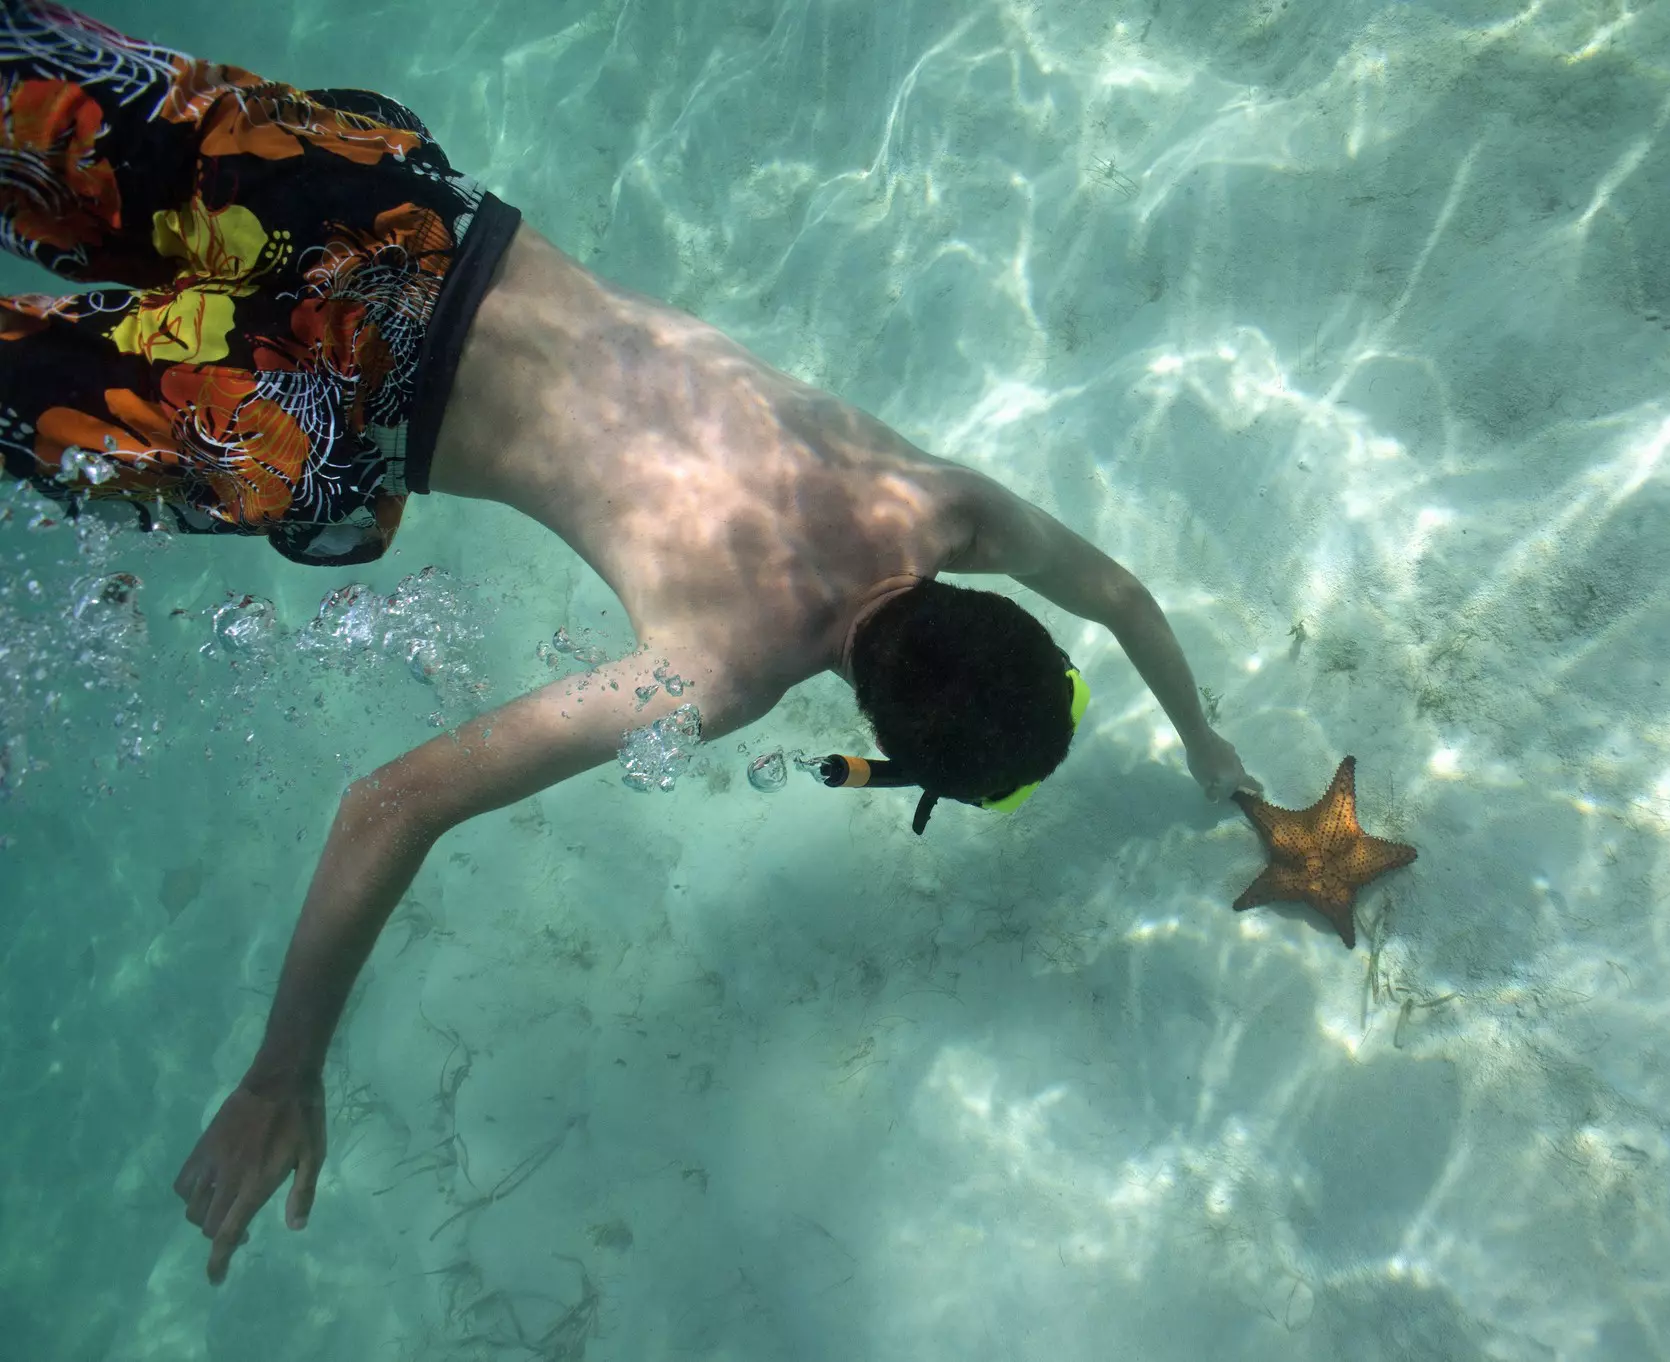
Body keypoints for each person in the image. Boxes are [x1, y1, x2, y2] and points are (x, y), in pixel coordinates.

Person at [0, 0, 1257, 1283]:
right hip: (324, 403)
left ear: (996, 603)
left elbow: (1121, 595)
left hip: (388, 212)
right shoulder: (726, 671)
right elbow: (391, 803)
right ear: (887, 748)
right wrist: (282, 1074)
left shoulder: (940, 503)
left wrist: (1206, 734)